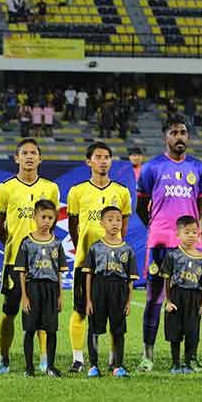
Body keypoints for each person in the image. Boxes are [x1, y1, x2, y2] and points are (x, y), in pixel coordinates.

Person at [136, 116, 202, 372]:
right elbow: (141, 206)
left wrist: (190, 230)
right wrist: (159, 227)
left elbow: (199, 206)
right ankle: (148, 354)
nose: (180, 137)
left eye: (184, 132)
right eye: (174, 133)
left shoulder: (198, 168)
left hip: (188, 246)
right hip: (159, 243)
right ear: (165, 137)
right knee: (154, 298)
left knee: (190, 299)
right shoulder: (152, 167)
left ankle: (189, 356)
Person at [0, 139, 60, 374]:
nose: (29, 157)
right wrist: (16, 247)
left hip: (44, 264)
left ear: (40, 159)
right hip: (14, 262)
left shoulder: (51, 188)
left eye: (34, 153)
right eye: (25, 153)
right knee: (9, 311)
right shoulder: (5, 188)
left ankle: (43, 359)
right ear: (16, 158)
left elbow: (52, 223)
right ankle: (4, 358)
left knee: (43, 312)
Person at [66, 142, 132, 373]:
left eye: (107, 157)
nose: (103, 161)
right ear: (89, 161)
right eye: (98, 157)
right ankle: (78, 359)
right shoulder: (77, 191)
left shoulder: (121, 192)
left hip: (113, 266)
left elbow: (124, 225)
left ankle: (116, 362)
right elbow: (73, 225)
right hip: (85, 263)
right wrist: (83, 251)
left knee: (116, 314)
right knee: (81, 309)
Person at [82, 206, 138, 378]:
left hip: (119, 290)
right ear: (102, 223)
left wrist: (128, 301)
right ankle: (93, 365)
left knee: (118, 329)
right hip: (99, 288)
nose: (115, 223)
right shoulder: (95, 248)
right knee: (95, 329)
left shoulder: (127, 250)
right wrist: (89, 300)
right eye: (110, 219)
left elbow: (130, 280)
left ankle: (117, 365)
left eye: (118, 220)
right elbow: (89, 276)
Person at [15, 199, 66, 377]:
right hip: (32, 288)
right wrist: (24, 296)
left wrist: (60, 295)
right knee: (29, 329)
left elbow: (59, 272)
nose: (46, 221)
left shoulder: (57, 244)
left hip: (51, 290)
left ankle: (50, 366)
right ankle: (29, 367)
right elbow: (22, 272)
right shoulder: (26, 242)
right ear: (35, 217)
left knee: (51, 329)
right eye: (43, 217)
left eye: (50, 218)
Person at [161, 216, 202, 374]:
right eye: (187, 232)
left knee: (192, 332)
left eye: (194, 232)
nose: (191, 235)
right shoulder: (173, 255)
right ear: (178, 234)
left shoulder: (201, 257)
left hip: (194, 298)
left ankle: (190, 362)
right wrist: (168, 301)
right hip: (177, 296)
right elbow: (167, 279)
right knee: (175, 331)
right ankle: (175, 364)